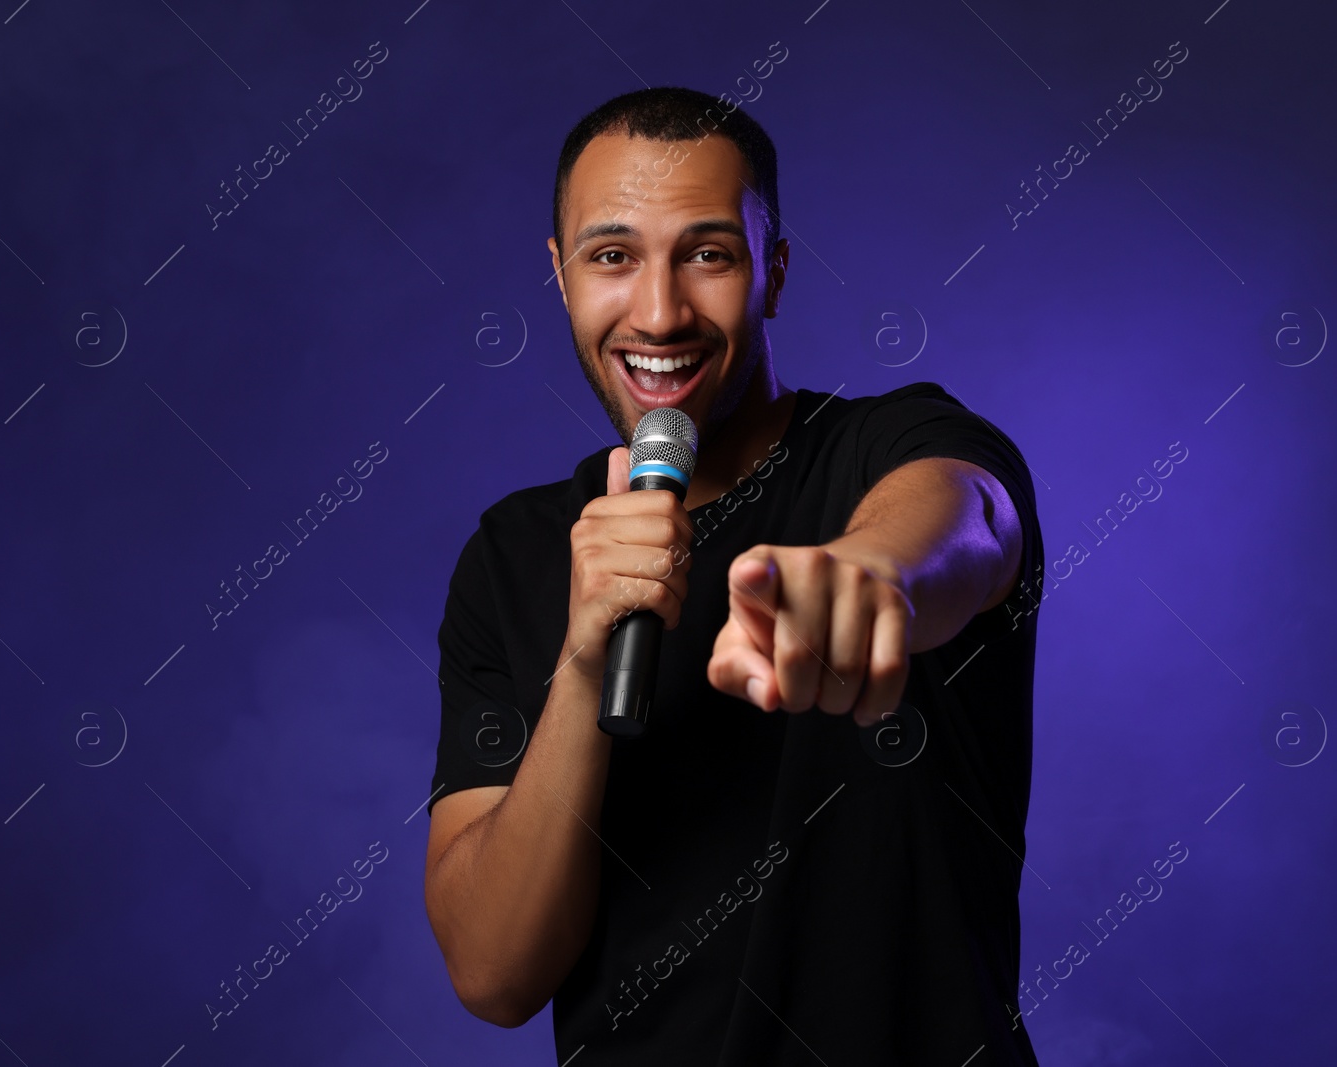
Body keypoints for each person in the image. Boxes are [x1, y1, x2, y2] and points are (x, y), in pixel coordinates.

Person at [423, 85, 1045, 1065]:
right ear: (560, 274)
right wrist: (583, 667)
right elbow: (495, 972)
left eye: (707, 254)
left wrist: (864, 573)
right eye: (612, 256)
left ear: (774, 272)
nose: (660, 312)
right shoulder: (514, 551)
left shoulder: (892, 446)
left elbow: (966, 515)